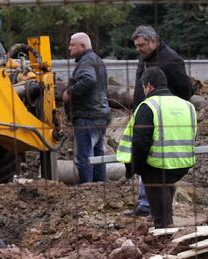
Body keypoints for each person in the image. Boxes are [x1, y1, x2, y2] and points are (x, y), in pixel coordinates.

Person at [116, 67, 197, 229]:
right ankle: (165, 219)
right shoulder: (187, 105)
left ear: (148, 86)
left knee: (157, 190)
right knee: (166, 186)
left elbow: (140, 142)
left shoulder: (148, 106)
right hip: (183, 164)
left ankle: (164, 228)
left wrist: (137, 168)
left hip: (157, 167)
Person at [128, 25, 193, 217]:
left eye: (141, 45)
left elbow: (185, 90)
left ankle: (156, 210)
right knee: (147, 159)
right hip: (144, 115)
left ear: (153, 41)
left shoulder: (171, 59)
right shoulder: (145, 58)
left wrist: (168, 109)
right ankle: (146, 204)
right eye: (136, 46)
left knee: (156, 164)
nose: (138, 49)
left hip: (161, 120)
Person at [62, 32, 110, 184]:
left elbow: (88, 79)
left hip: (87, 116)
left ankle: (86, 189)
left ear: (82, 46)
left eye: (72, 45)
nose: (69, 48)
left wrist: (69, 91)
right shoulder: (97, 60)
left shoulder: (86, 62)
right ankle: (99, 187)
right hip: (100, 115)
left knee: (84, 157)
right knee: (98, 155)